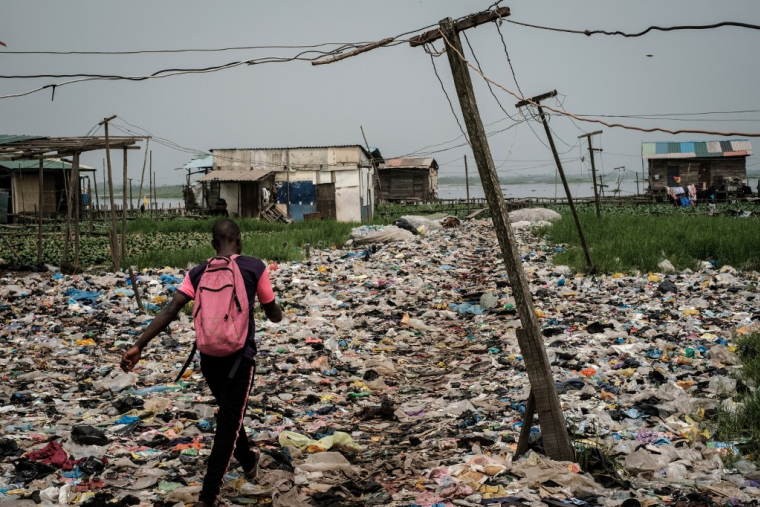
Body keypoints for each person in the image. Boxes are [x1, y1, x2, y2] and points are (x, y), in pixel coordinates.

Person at [120, 220, 282, 507]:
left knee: (231, 417)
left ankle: (248, 460)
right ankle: (209, 497)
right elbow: (273, 315)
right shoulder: (255, 267)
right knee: (228, 423)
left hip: (209, 359)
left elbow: (171, 310)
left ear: (213, 244)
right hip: (239, 360)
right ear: (240, 241)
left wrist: (138, 345)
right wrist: (272, 307)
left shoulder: (197, 273)